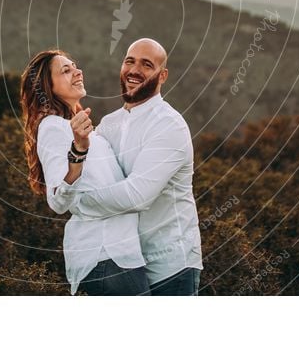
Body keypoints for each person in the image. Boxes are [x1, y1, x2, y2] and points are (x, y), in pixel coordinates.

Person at [68, 38, 203, 296]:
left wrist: (77, 202)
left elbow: (137, 195)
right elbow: (94, 175)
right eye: (129, 61)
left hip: (170, 265)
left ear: (162, 76)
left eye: (146, 64)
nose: (134, 70)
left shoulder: (169, 125)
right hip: (125, 262)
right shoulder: (108, 124)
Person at [20, 49, 149, 295]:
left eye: (75, 66)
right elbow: (58, 200)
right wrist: (78, 150)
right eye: (65, 70)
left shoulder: (79, 128)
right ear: (47, 86)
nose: (77, 71)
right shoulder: (53, 127)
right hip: (106, 256)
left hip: (120, 256)